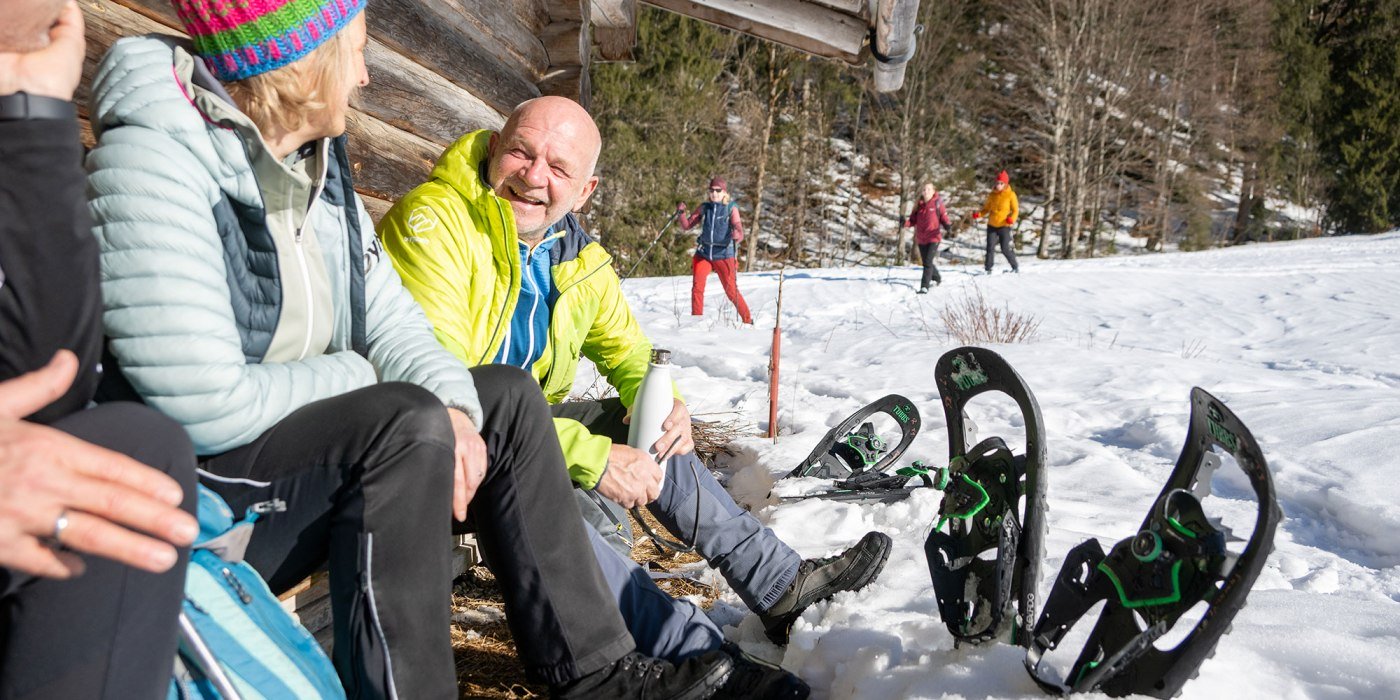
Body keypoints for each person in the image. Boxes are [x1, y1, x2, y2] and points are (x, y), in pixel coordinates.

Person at [84, 2, 732, 697]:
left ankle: (596, 673)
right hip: (201, 489)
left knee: (504, 399)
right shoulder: (156, 157)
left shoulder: (318, 170)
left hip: (295, 449)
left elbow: (395, 324)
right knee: (402, 420)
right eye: (356, 51)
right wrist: (365, 379)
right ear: (304, 58)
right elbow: (202, 403)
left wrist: (455, 402)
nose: (365, 76)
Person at [378, 96, 893, 654]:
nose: (532, 177)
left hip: (516, 439)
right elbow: (441, 392)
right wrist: (593, 458)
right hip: (434, 449)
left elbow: (631, 355)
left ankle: (778, 586)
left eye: (558, 168)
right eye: (521, 153)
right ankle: (649, 647)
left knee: (647, 426)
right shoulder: (436, 222)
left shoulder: (575, 256)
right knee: (575, 489)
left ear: (585, 191)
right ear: (496, 147)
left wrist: (665, 406)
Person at [1, 3, 200, 697]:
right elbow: (204, 388)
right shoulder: (157, 153)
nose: (363, 80)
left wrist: (32, 110)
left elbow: (48, 382)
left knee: (126, 447)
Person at [677, 178, 754, 324]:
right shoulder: (705, 207)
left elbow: (738, 228)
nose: (714, 193)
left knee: (731, 291)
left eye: (718, 190)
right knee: (697, 288)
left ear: (724, 192)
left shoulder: (730, 207)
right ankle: (696, 321)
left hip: (723, 254)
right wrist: (681, 213)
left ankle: (748, 320)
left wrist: (737, 234)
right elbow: (687, 225)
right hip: (704, 253)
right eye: (711, 190)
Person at [904, 182, 952, 293]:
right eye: (924, 189)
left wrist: (947, 225)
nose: (926, 191)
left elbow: (944, 216)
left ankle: (924, 286)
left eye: (929, 189)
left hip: (933, 237)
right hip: (921, 238)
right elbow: (912, 221)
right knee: (927, 261)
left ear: (933, 191)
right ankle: (937, 277)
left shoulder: (937, 203)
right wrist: (904, 223)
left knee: (927, 262)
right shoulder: (918, 205)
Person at [973, 170, 1020, 273]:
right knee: (990, 248)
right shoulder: (992, 195)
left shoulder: (1010, 195)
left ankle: (1015, 266)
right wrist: (979, 214)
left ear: (1005, 184)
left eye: (1001, 183)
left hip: (1004, 225)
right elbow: (986, 209)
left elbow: (1015, 210)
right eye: (997, 183)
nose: (998, 185)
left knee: (1005, 248)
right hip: (992, 225)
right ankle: (988, 269)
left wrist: (1011, 218)